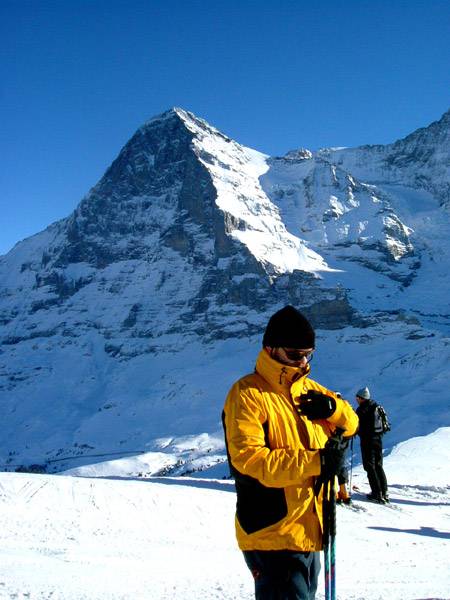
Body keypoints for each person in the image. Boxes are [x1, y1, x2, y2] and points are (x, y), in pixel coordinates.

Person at [222, 305, 358, 599]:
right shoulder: (247, 394)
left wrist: (334, 411)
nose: (303, 361)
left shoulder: (310, 391)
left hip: (310, 530)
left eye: (309, 354)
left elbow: (352, 424)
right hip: (272, 532)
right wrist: (317, 461)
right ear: (270, 349)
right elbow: (250, 460)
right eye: (295, 355)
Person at [355, 386, 389, 504]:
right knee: (378, 465)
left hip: (367, 440)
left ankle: (376, 493)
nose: (356, 399)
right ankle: (384, 492)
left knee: (369, 466)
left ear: (362, 398)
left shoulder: (362, 410)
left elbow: (357, 425)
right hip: (378, 439)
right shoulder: (376, 406)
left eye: (358, 397)